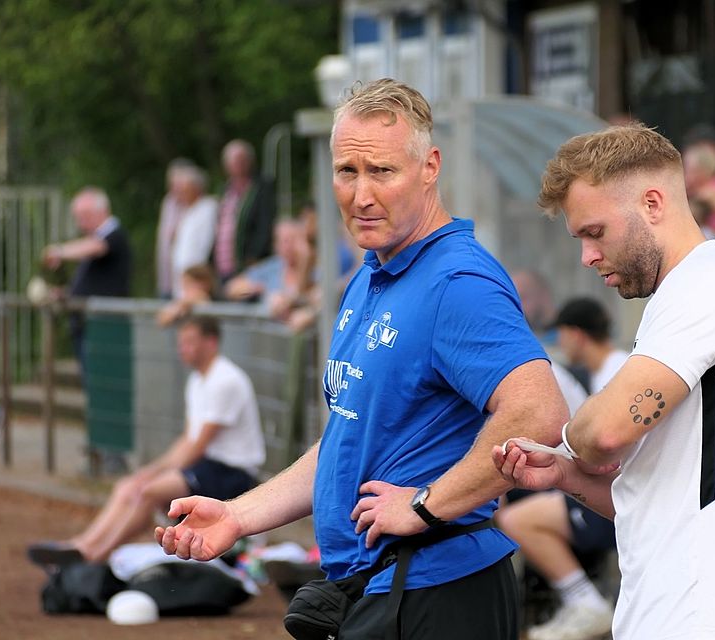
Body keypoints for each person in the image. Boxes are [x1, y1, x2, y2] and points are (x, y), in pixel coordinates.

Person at [155, 78, 567, 640]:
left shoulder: (457, 282)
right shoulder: (374, 273)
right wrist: (237, 516)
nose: (361, 194)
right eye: (347, 172)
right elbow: (349, 439)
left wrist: (425, 504)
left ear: (430, 167)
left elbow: (539, 413)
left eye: (382, 171)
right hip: (374, 590)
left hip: (438, 592)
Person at [494, 122, 715, 639]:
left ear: (653, 203)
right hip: (670, 610)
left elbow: (604, 432)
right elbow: (649, 499)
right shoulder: (687, 294)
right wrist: (565, 474)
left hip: (707, 617)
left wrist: (570, 439)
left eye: (595, 232)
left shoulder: (708, 286)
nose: (586, 256)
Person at [27, 315, 265, 565]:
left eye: (190, 342)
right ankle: (82, 544)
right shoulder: (198, 380)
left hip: (231, 473)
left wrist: (154, 476)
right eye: (181, 342)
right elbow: (187, 439)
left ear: (211, 342)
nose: (182, 348)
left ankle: (96, 555)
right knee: (128, 486)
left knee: (147, 491)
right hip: (208, 465)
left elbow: (198, 446)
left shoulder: (225, 380)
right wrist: (150, 470)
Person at [497, 296, 628, 640]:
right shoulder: (606, 369)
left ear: (575, 334)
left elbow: (607, 449)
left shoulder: (616, 371)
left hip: (619, 497)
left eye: (562, 333)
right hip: (598, 486)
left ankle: (585, 603)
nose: (558, 341)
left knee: (514, 518)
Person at [41, 187, 132, 374]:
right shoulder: (95, 239)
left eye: (85, 215)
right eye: (78, 216)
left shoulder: (113, 235)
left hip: (104, 325)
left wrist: (59, 251)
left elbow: (95, 247)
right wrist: (67, 293)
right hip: (87, 324)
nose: (80, 222)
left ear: (101, 211)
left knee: (104, 381)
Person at [212, 139, 277, 282]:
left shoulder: (260, 187)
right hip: (224, 265)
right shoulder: (225, 190)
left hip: (249, 264)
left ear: (250, 161)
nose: (238, 165)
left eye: (241, 160)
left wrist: (255, 255)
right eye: (233, 161)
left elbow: (265, 223)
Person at [169, 164, 218, 299]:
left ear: (196, 189)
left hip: (196, 280)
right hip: (183, 280)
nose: (181, 195)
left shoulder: (208, 207)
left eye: (185, 190)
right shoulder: (187, 212)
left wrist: (195, 278)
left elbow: (204, 245)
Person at [155, 158, 195, 298]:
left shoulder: (194, 205)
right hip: (166, 278)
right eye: (173, 183)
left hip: (185, 280)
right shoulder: (168, 202)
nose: (175, 188)